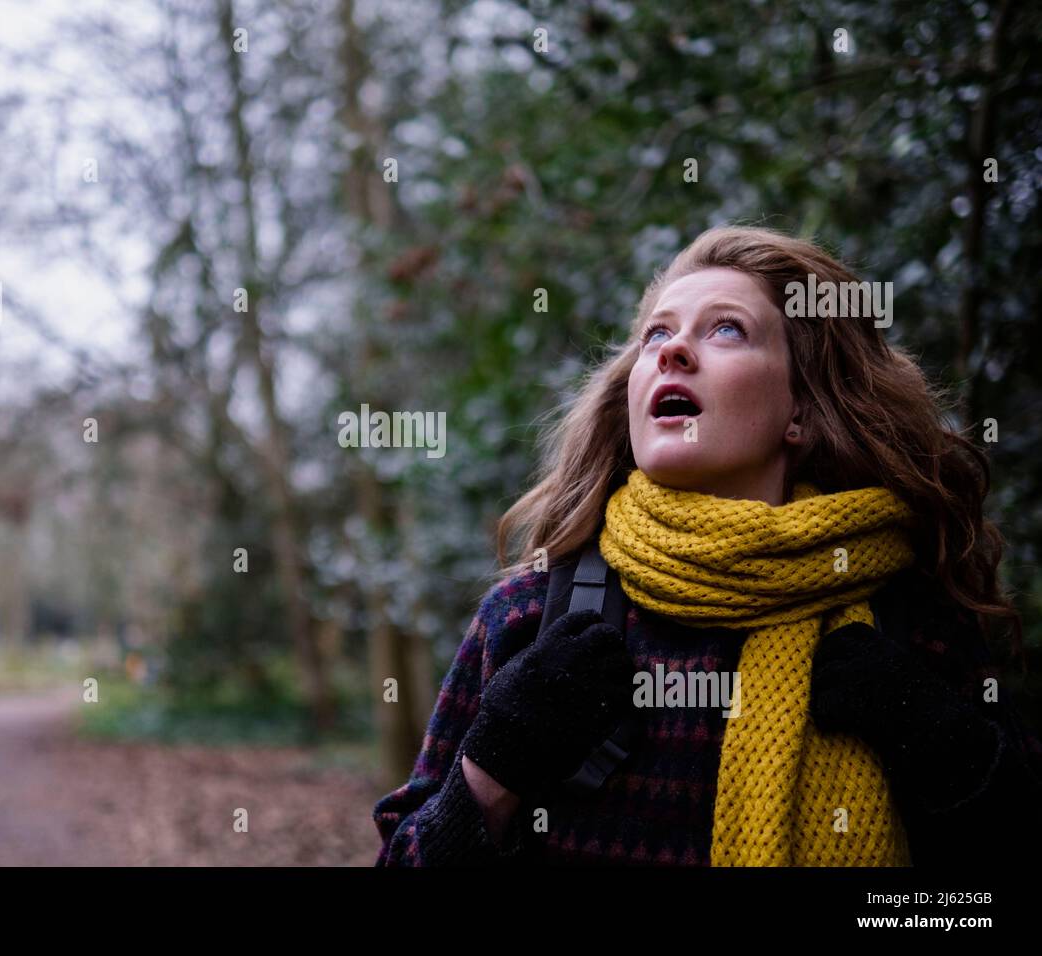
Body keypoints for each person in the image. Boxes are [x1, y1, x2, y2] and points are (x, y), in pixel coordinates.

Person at [372, 225, 1042, 866]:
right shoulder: (526, 616)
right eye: (656, 334)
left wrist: (946, 747)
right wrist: (491, 772)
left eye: (727, 329)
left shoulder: (909, 618)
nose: (671, 350)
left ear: (801, 413)